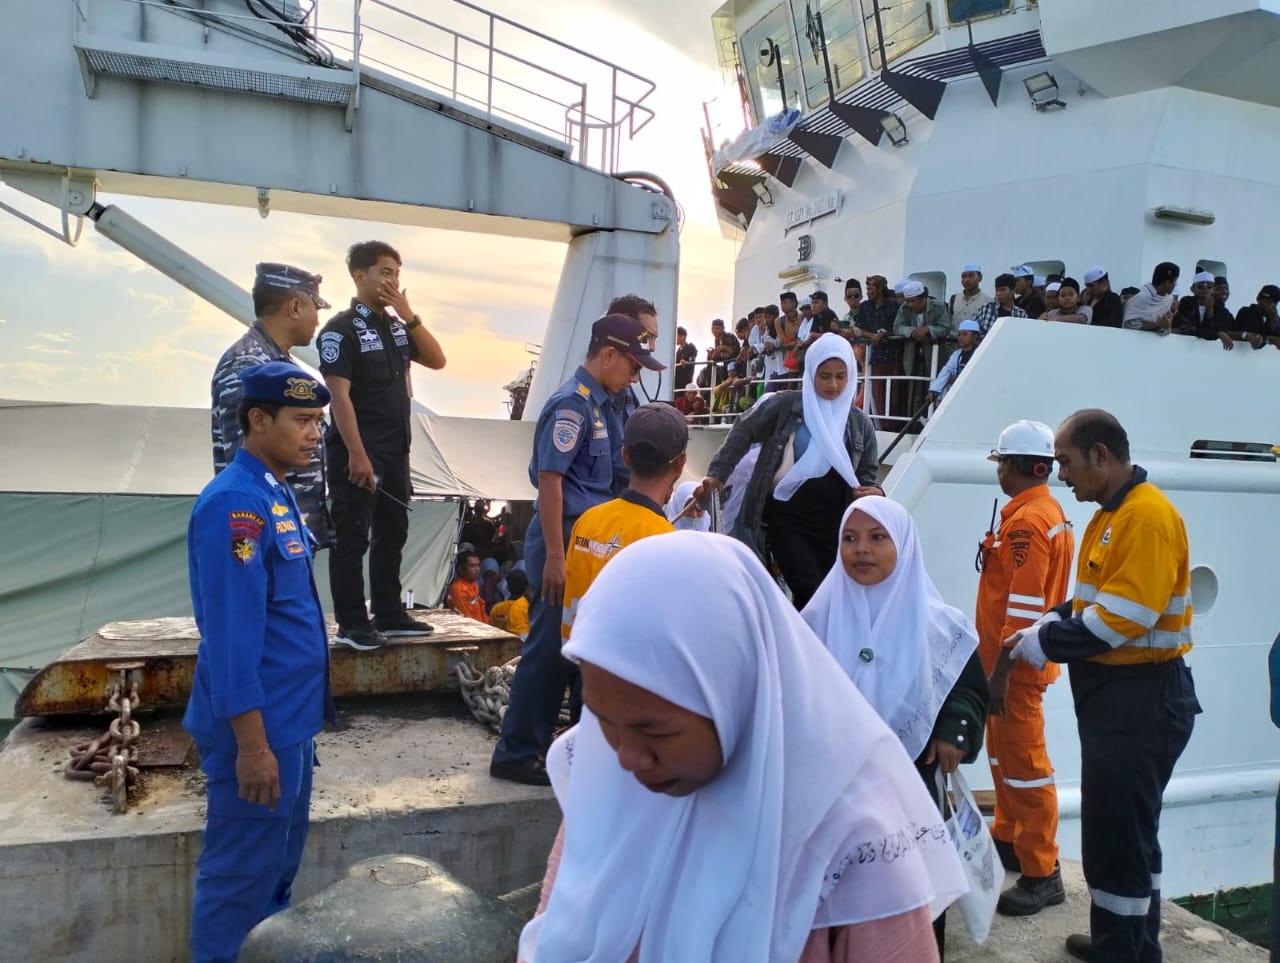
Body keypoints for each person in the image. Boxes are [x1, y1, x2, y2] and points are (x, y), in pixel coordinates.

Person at [519, 532, 968, 963]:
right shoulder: (608, 790)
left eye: (656, 732)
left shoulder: (852, 841)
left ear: (738, 694)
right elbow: (554, 925)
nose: (626, 757)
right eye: (603, 723)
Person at [998, 410, 1201, 962]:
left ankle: (1124, 950)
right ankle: (1127, 940)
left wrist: (1046, 643)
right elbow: (1092, 601)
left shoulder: (1144, 519)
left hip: (1141, 700)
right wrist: (1052, 619)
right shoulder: (1112, 515)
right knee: (1126, 835)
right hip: (1123, 701)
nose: (1059, 474)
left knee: (1119, 840)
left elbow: (1122, 618)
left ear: (1101, 456)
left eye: (1065, 462)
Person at [184, 361, 337, 963]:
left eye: (318, 422)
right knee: (238, 885)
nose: (313, 434)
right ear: (256, 420)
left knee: (273, 877)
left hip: (289, 727)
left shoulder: (273, 491)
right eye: (301, 420)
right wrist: (252, 745)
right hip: (260, 730)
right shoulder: (236, 506)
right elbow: (231, 635)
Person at [801, 496, 990, 959]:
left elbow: (966, 689)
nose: (861, 550)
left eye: (877, 538)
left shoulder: (941, 625)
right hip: (836, 785)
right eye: (850, 539)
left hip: (912, 782)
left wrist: (954, 731)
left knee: (913, 887)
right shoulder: (816, 618)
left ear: (903, 545)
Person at [490, 314, 664, 786]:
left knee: (587, 649)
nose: (637, 375)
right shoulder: (572, 406)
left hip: (593, 542)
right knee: (548, 650)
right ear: (608, 355)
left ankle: (579, 747)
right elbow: (551, 484)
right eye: (632, 365)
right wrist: (552, 556)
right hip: (563, 541)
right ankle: (517, 751)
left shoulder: (610, 403)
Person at [318, 240, 447, 651]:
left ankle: (389, 612)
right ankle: (353, 623)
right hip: (359, 449)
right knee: (352, 537)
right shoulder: (339, 330)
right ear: (359, 276)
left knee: (394, 531)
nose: (392, 280)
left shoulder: (395, 326)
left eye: (396, 273)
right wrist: (356, 453)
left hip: (397, 450)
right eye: (384, 272)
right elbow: (338, 396)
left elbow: (437, 359)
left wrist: (409, 316)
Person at [694, 334, 882, 609]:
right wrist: (717, 473)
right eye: (825, 376)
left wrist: (876, 492)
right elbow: (743, 432)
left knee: (830, 594)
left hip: (835, 525)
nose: (833, 385)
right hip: (787, 520)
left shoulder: (858, 423)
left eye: (841, 377)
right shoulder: (786, 406)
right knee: (810, 589)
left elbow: (867, 474)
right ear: (810, 373)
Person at [977, 421, 1075, 917]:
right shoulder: (1044, 513)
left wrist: (1001, 673)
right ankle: (1010, 839)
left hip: (1013, 670)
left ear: (1015, 466)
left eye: (1001, 463)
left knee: (1027, 769)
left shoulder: (1026, 523)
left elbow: (1021, 605)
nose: (999, 472)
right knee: (1005, 761)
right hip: (1010, 667)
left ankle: (1042, 873)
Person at [211, 263, 333, 547]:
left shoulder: (278, 364)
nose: (317, 320)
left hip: (288, 527)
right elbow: (244, 457)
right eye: (316, 308)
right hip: (265, 531)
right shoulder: (246, 364)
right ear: (294, 307)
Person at [561, 403, 687, 651]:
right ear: (680, 463)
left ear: (625, 456)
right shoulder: (666, 541)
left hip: (579, 663)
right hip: (625, 678)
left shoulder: (587, 520)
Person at [925, 319, 980, 404]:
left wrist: (958, 379)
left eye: (965, 334)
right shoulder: (956, 354)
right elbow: (946, 371)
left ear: (974, 337)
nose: (960, 337)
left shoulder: (979, 353)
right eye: (959, 334)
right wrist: (934, 390)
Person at [1122, 262, 1180, 333]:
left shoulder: (1169, 300)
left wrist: (1166, 325)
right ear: (1167, 283)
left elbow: (1165, 329)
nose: (1176, 284)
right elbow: (1129, 325)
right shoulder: (1140, 298)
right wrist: (1156, 324)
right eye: (1175, 281)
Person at [447, 551, 489, 623]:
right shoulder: (457, 589)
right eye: (472, 566)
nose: (477, 569)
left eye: (478, 565)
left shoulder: (474, 584)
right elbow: (466, 618)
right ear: (460, 569)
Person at [490, 568, 532, 637]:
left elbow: (491, 630)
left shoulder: (497, 608)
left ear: (507, 588)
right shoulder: (529, 607)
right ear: (527, 587)